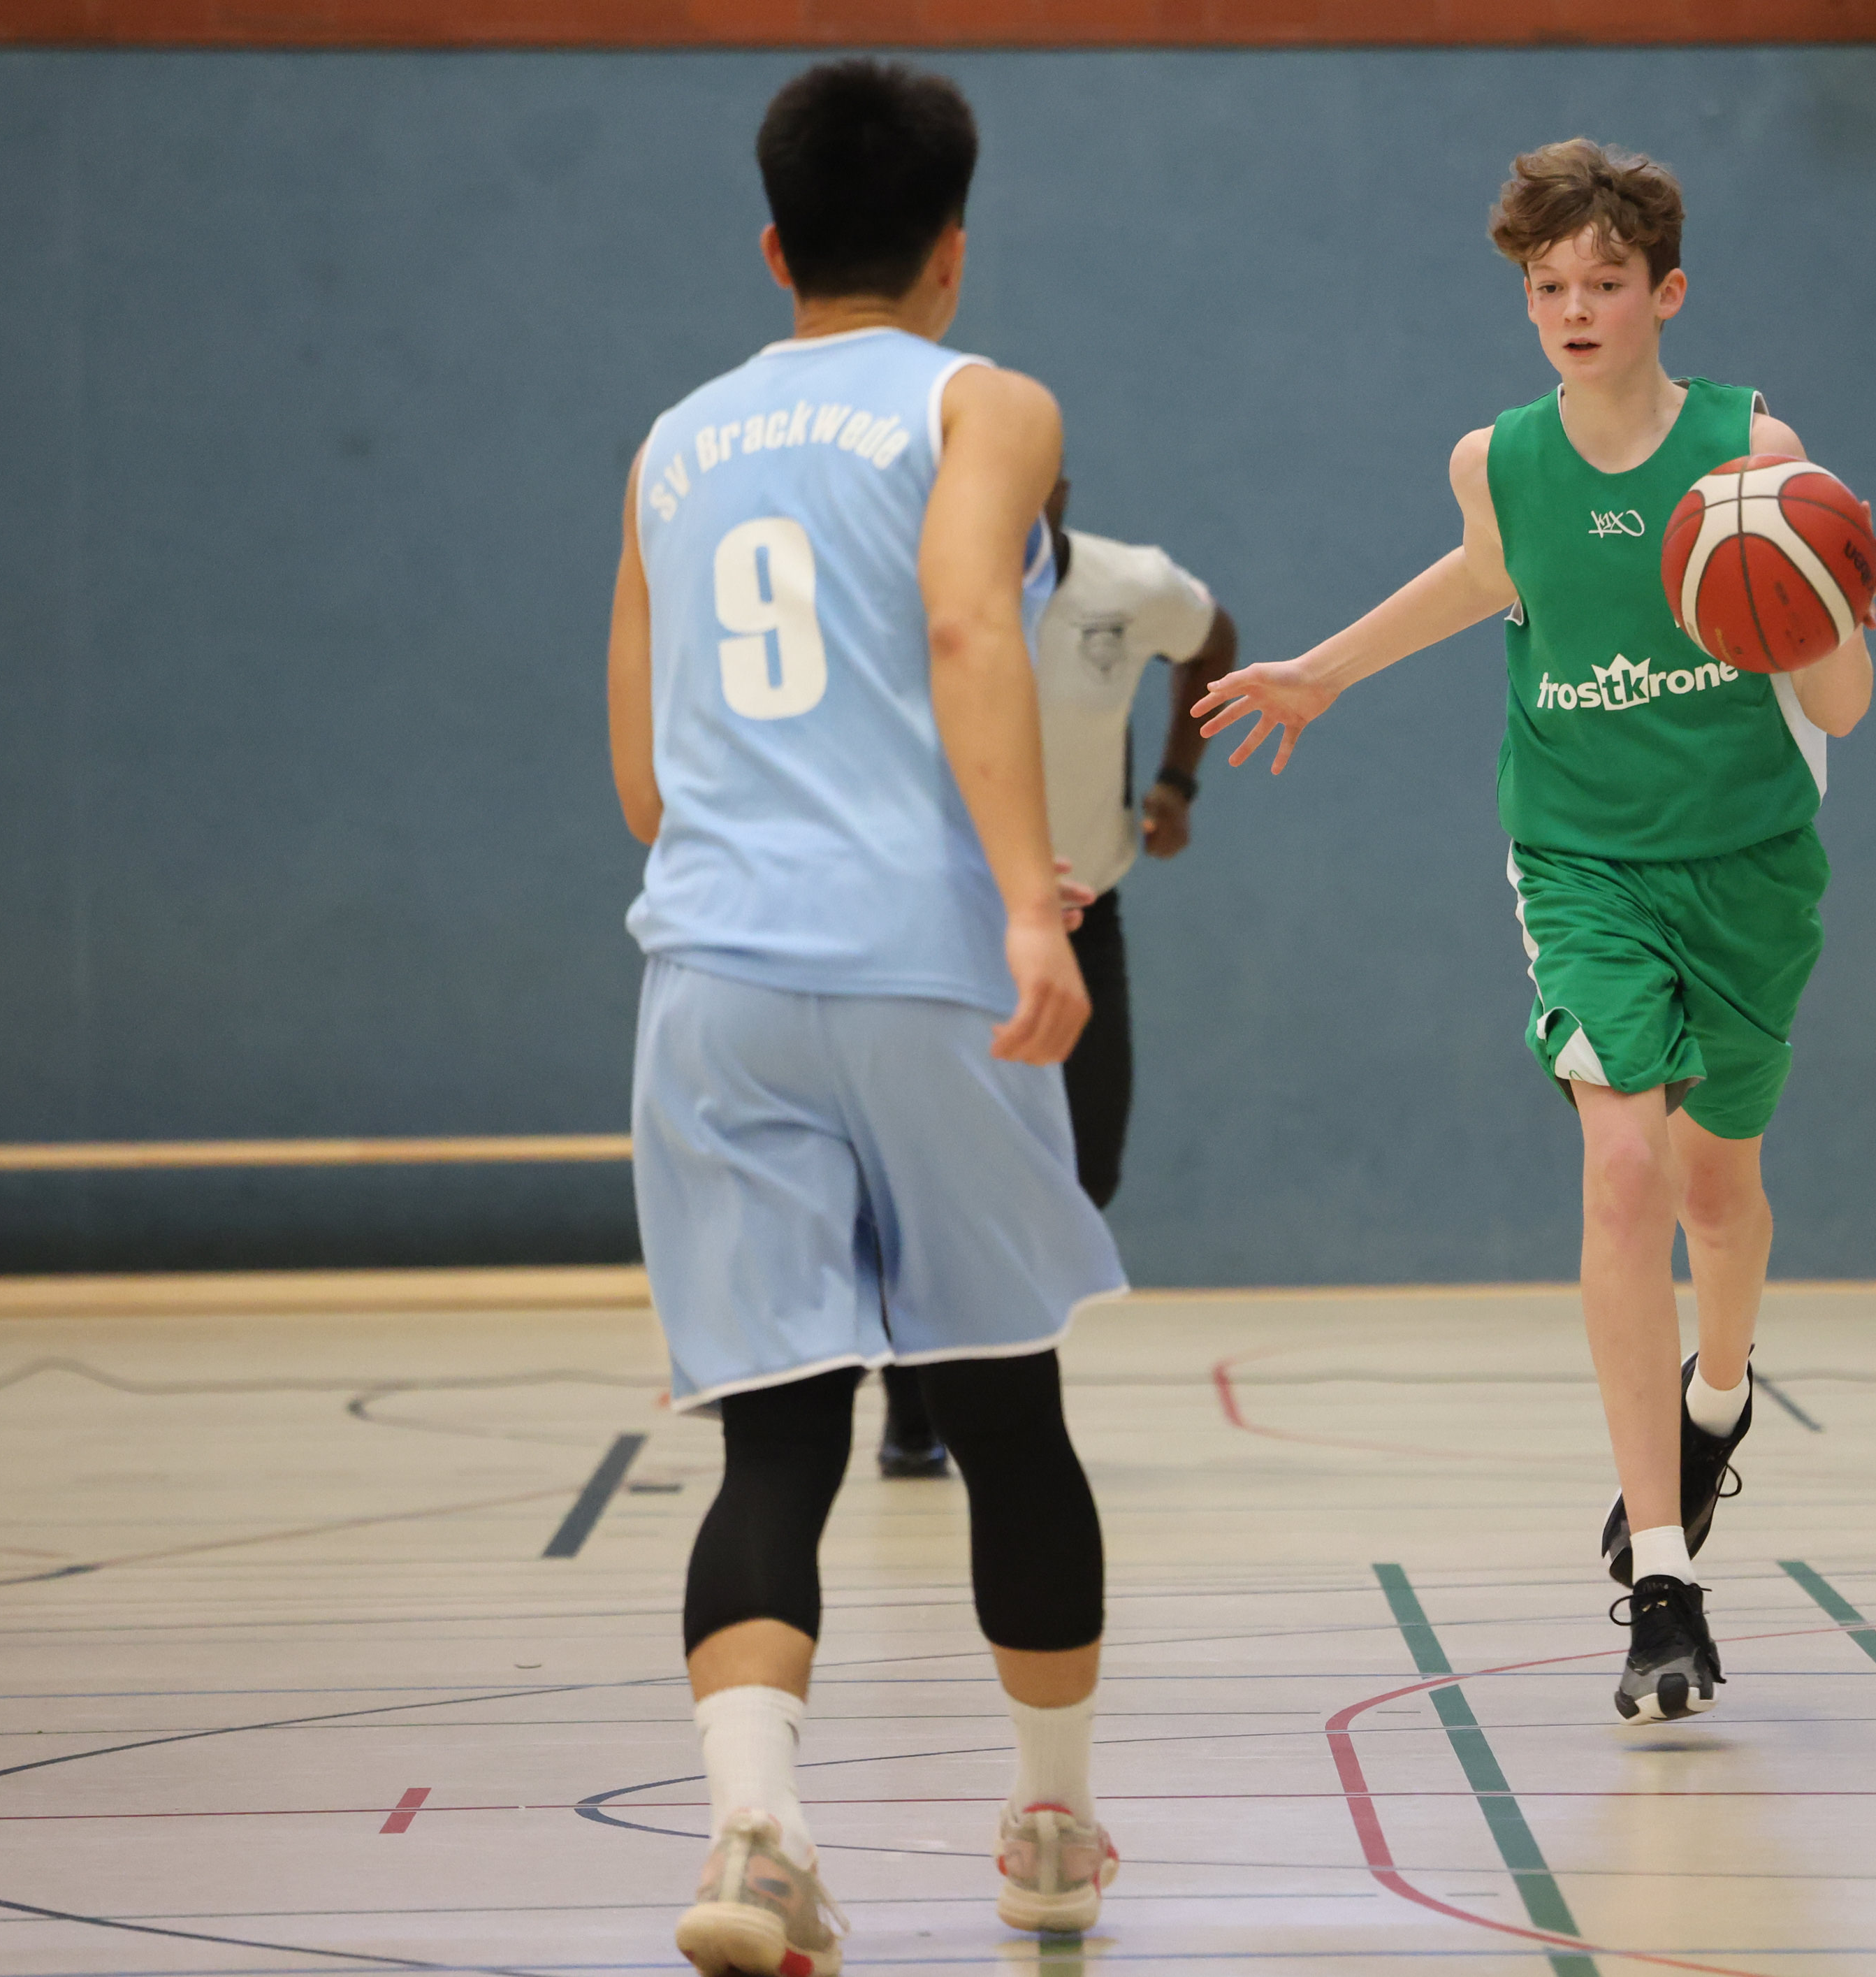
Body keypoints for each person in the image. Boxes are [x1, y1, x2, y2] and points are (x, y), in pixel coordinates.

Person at [1195, 138, 1876, 1725]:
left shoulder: (1751, 455)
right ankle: (1664, 1584)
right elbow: (1486, 576)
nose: (1574, 308)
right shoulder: (1495, 458)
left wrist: (1833, 610)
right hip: (1581, 861)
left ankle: (1721, 1397)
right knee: (1624, 1168)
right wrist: (1321, 672)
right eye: (1546, 286)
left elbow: (1841, 702)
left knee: (1718, 1188)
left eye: (1605, 282)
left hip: (1750, 863)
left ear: (1667, 293)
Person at [606, 59, 1125, 1972]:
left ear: (773, 246)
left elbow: (644, 783)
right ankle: (1050, 1826)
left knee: (771, 1444)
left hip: (714, 980)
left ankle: (758, 1837)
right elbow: (971, 624)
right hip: (922, 965)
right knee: (1006, 1411)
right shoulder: (985, 401)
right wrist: (1025, 902)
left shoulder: (671, 443)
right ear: (951, 249)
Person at [873, 481, 1235, 1479]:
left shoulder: (1131, 584)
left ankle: (964, 1354)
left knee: (1088, 1164)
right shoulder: (916, 589)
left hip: (1083, 911)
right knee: (930, 1170)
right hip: (943, 919)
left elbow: (1212, 641)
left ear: (1059, 492)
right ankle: (923, 1389)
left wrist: (1177, 782)